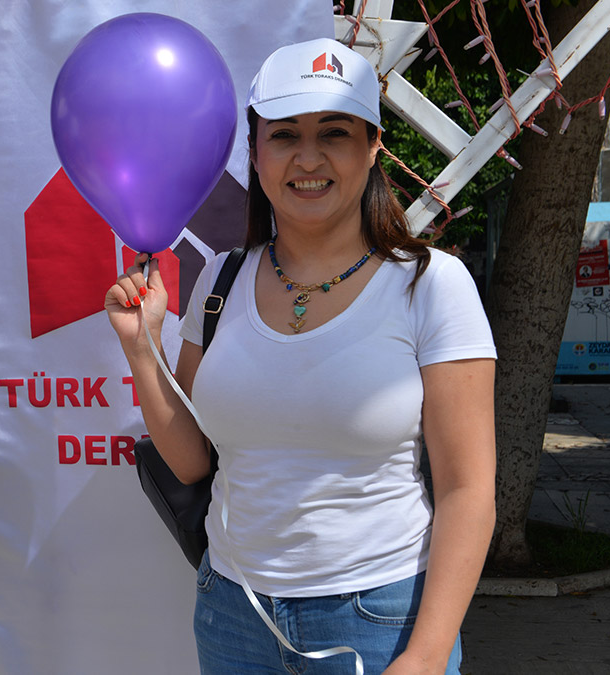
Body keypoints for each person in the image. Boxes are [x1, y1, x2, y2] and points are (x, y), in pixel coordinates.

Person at [105, 38, 496, 674]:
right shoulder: (221, 279)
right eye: (284, 135)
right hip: (233, 614)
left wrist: (425, 656)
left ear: (372, 147)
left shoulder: (431, 284)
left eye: (334, 133)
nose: (308, 158)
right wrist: (140, 348)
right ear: (256, 153)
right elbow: (191, 459)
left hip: (381, 618)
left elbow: (468, 489)